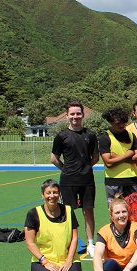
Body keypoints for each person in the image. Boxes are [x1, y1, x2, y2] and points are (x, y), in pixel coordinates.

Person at [50, 101, 99, 256]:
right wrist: (67, 170)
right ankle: (69, 242)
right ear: (67, 116)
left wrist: (84, 169)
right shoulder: (61, 136)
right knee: (68, 213)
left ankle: (90, 243)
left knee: (88, 211)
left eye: (78, 113)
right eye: (72, 114)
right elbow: (54, 158)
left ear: (83, 115)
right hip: (68, 181)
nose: (75, 117)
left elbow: (95, 157)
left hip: (87, 180)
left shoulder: (90, 135)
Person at [24, 179, 82, 271]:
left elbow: (74, 238)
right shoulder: (33, 214)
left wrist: (69, 261)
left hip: (67, 258)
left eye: (55, 192)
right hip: (43, 261)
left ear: (59, 193)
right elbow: (30, 242)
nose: (52, 196)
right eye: (48, 193)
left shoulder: (68, 210)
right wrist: (45, 262)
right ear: (42, 195)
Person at [99, 107, 137, 202]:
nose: (122, 125)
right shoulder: (105, 138)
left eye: (123, 122)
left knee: (134, 212)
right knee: (116, 212)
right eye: (118, 123)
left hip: (132, 179)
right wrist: (128, 155)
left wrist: (116, 158)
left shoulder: (131, 135)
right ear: (110, 122)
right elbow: (109, 163)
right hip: (114, 181)